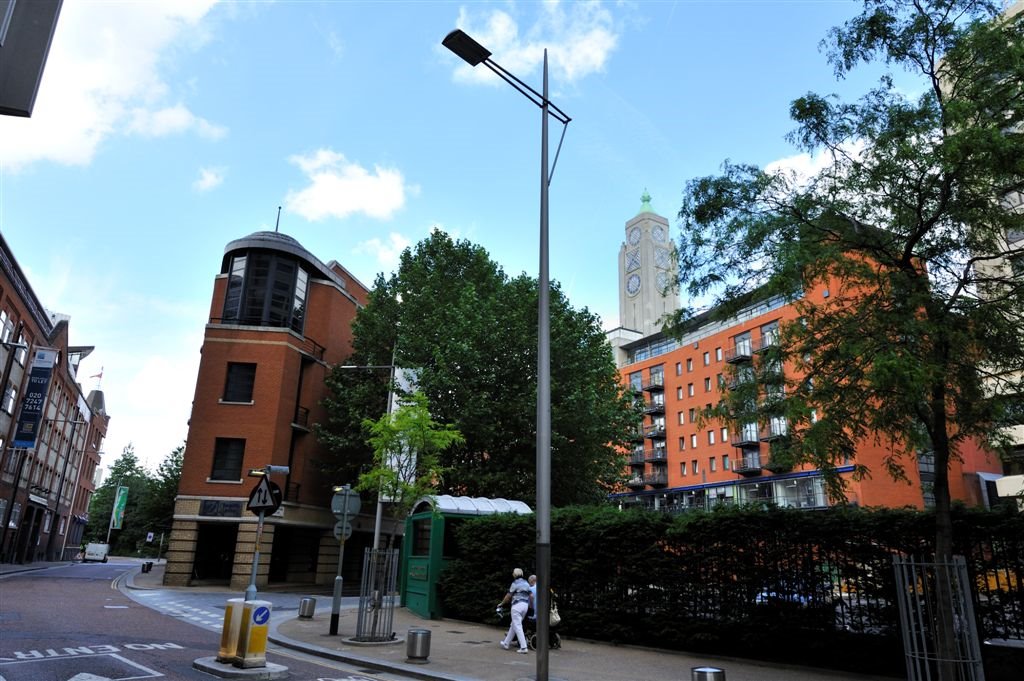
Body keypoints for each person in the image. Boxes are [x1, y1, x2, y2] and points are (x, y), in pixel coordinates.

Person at [496, 567, 531, 653]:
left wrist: (501, 604)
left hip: (517, 606)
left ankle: (523, 647)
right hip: (525, 605)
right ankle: (506, 643)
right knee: (514, 625)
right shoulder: (526, 583)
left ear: (515, 574)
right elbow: (531, 596)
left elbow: (508, 596)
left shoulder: (515, 583)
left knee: (517, 626)